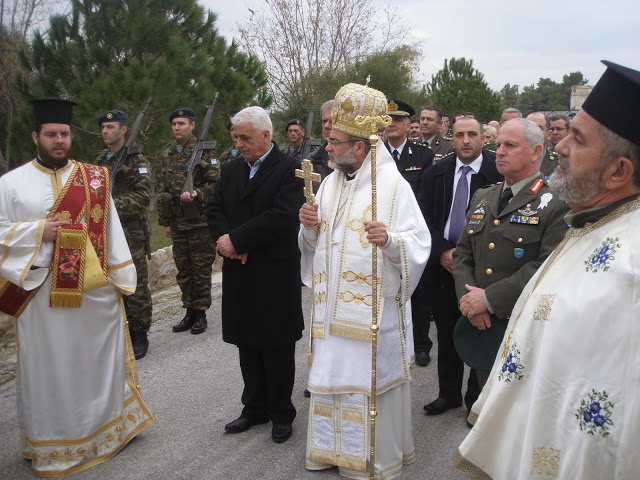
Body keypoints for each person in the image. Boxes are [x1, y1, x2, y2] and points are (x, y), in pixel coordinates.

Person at [454, 60, 640, 479]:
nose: (561, 147)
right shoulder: (591, 222)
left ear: (618, 171)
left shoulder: (631, 266)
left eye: (577, 137)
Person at [0, 98, 153, 476]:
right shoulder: (10, 184)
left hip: (91, 291)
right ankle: (55, 440)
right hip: (39, 295)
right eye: (51, 134)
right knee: (50, 366)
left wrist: (119, 278)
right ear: (36, 136)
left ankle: (105, 430)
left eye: (64, 134)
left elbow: (112, 228)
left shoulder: (94, 178)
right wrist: (39, 231)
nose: (59, 140)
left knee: (94, 360)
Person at [299, 83, 431, 479]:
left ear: (359, 147)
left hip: (372, 319)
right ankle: (331, 452)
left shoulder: (394, 187)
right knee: (331, 374)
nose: (328, 148)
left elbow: (418, 244)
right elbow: (316, 245)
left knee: (366, 381)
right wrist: (307, 228)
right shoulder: (328, 183)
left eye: (335, 141)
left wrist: (390, 241)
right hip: (330, 314)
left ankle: (371, 461)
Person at [206, 106, 304, 444]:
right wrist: (226, 242)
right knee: (247, 341)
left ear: (265, 135)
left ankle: (280, 411)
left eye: (244, 138)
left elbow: (282, 216)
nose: (238, 144)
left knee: (276, 344)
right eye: (235, 138)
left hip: (273, 271)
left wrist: (238, 238)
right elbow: (215, 208)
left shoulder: (290, 169)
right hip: (240, 270)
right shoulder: (232, 169)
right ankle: (254, 407)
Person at [452, 118, 568, 395]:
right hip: (481, 323)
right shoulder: (483, 196)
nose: (500, 151)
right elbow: (463, 253)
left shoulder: (555, 203)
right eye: (499, 144)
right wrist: (469, 301)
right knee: (483, 406)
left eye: (511, 145)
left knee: (516, 413)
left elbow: (546, 266)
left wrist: (489, 300)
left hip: (521, 328)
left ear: (536, 151)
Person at [419, 117, 502, 418]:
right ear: (450, 139)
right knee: (447, 331)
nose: (465, 140)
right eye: (459, 135)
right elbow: (423, 218)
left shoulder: (496, 173)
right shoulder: (436, 173)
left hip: (483, 270)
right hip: (443, 267)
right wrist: (442, 250)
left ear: (483, 139)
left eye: (472, 134)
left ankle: (474, 399)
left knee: (478, 330)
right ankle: (448, 394)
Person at [95, 109, 153, 359]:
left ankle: (140, 334)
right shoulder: (99, 161)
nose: (106, 131)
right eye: (103, 128)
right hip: (105, 234)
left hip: (131, 234)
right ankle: (119, 331)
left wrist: (108, 204)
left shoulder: (137, 162)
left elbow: (142, 197)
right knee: (111, 285)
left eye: (111, 127)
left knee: (135, 285)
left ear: (123, 130)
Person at [157, 107, 219, 334]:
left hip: (200, 222)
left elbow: (216, 185)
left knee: (200, 268)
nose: (177, 128)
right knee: (183, 270)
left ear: (192, 125)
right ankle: (189, 311)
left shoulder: (205, 152)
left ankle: (201, 312)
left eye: (181, 124)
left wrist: (197, 194)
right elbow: (162, 187)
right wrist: (165, 222)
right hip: (177, 221)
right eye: (174, 124)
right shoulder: (167, 152)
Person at [384, 98, 435, 366]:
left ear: (407, 125)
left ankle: (421, 344)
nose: (391, 124)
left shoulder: (423, 156)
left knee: (419, 291)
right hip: (382, 234)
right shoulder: (374, 154)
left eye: (397, 119)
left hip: (411, 230)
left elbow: (424, 198)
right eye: (387, 119)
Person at [308, 100, 334, 185]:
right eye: (324, 121)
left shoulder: (352, 160)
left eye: (332, 121)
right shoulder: (312, 160)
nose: (326, 126)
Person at [527, 111, 559, 178]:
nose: (533, 132)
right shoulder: (513, 160)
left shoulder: (559, 163)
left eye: (539, 128)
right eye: (529, 128)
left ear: (549, 135)